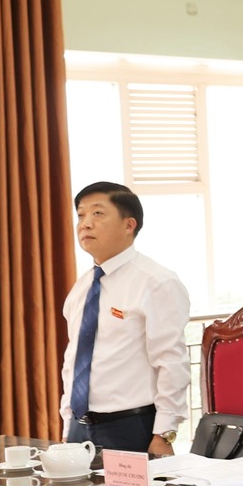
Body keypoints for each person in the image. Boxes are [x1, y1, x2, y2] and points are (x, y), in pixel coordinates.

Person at [58, 182, 192, 457]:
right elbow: (73, 361)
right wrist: (67, 424)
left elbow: (171, 362)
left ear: (129, 225)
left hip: (132, 427)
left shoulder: (156, 282)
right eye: (81, 215)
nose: (85, 224)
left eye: (98, 213)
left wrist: (164, 433)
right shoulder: (82, 287)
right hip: (79, 428)